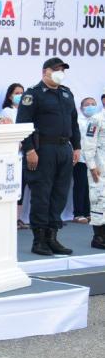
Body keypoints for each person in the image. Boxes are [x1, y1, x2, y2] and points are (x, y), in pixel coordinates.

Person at [17, 57, 81, 256]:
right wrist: (29, 150)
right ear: (45, 71)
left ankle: (52, 237)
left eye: (63, 70)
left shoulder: (66, 93)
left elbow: (74, 122)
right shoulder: (33, 94)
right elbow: (23, 124)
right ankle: (39, 240)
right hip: (42, 149)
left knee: (59, 194)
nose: (60, 73)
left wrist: (77, 147)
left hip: (64, 148)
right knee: (42, 195)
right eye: (56, 69)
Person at [2, 83, 31, 229]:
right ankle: (11, 219)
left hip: (27, 153)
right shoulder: (7, 111)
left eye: (22, 93)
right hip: (14, 154)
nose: (20, 95)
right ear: (10, 96)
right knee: (13, 186)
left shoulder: (27, 110)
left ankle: (19, 218)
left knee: (23, 187)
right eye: (17, 93)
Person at [81, 97, 105, 248]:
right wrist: (91, 165)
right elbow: (88, 144)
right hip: (99, 167)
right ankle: (99, 237)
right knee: (98, 200)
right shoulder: (96, 119)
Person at [73, 98, 97, 224]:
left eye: (93, 104)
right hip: (81, 158)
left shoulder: (97, 121)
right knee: (80, 185)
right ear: (81, 108)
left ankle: (88, 212)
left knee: (91, 187)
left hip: (94, 159)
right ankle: (78, 213)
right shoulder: (78, 121)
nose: (90, 106)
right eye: (87, 105)